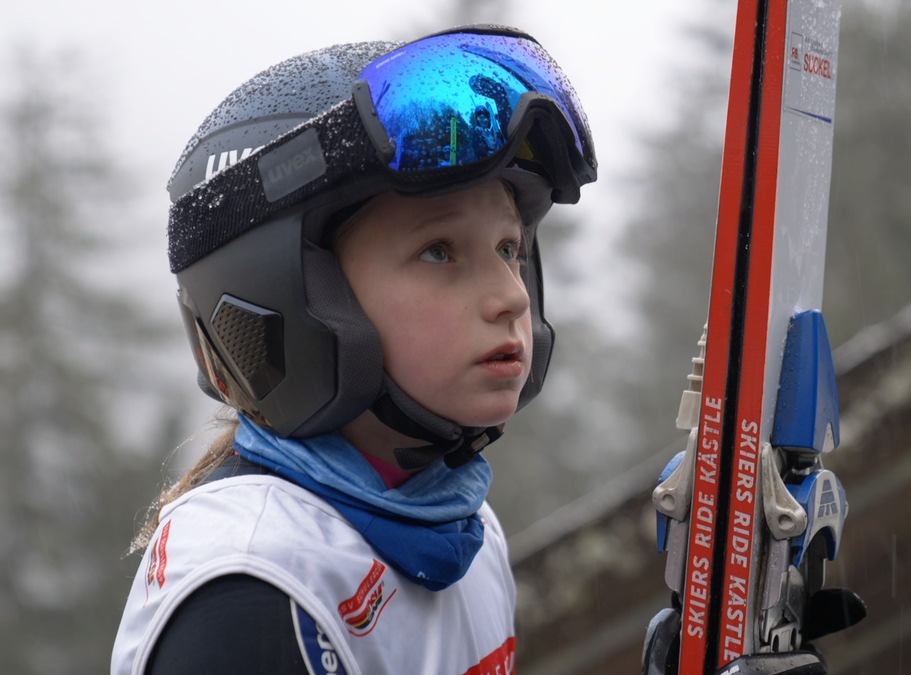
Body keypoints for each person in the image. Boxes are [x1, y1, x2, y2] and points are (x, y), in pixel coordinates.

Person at [111, 25, 596, 675]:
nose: (511, 296)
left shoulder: (460, 526)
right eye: (440, 251)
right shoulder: (253, 597)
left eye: (509, 248)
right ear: (291, 296)